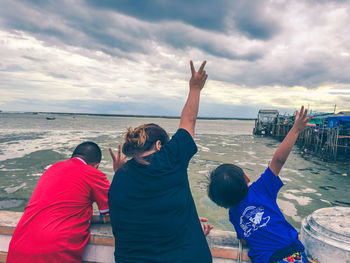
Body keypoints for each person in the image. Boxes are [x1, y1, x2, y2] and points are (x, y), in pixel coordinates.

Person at [108, 60, 213, 263]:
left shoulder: (121, 176)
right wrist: (195, 88)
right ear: (158, 145)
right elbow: (188, 121)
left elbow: (135, 214)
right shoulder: (169, 157)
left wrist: (186, 221)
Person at [207, 106, 314, 263]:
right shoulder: (260, 189)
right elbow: (278, 160)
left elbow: (244, 241)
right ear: (246, 177)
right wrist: (295, 130)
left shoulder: (233, 214)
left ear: (222, 202)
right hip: (292, 253)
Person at [7, 141, 111, 263]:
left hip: (18, 246)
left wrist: (96, 218)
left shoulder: (52, 169)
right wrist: (120, 172)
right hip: (54, 251)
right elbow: (116, 212)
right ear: (96, 165)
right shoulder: (94, 174)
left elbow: (60, 209)